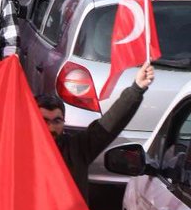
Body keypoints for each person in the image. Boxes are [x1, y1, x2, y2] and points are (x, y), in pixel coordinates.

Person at [38, 62, 154, 200]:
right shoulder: (17, 151)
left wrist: (137, 89)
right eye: (44, 121)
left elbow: (109, 124)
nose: (51, 128)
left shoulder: (77, 149)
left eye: (57, 121)